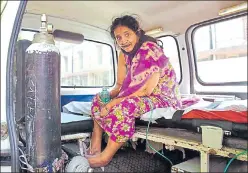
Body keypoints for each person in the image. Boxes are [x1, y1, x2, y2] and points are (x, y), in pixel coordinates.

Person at [86, 15, 182, 168]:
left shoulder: (150, 49)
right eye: (118, 37)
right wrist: (107, 97)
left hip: (160, 96)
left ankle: (106, 156)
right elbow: (119, 85)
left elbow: (147, 89)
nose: (123, 41)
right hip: (139, 94)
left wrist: (115, 102)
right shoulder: (123, 55)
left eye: (127, 35)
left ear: (137, 32)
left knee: (125, 106)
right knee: (98, 99)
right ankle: (96, 138)